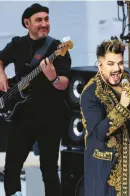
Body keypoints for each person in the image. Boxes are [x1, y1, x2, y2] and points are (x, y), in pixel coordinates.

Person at [0, 3, 71, 196]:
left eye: (46, 19)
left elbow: (64, 83)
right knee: (12, 168)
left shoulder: (58, 48)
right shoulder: (16, 44)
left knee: (49, 171)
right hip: (21, 115)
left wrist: (53, 77)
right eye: (39, 20)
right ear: (27, 23)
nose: (44, 24)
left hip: (50, 117)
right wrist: (2, 75)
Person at [80, 37, 130, 196]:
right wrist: (121, 107)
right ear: (100, 65)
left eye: (120, 63)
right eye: (111, 64)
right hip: (106, 173)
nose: (117, 69)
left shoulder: (126, 79)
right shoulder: (90, 94)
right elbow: (98, 134)